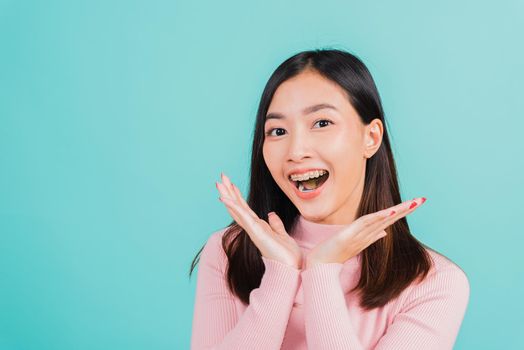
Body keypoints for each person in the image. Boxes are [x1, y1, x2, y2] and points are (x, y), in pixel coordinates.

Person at [189, 49, 470, 350]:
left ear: (371, 138)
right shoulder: (228, 253)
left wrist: (322, 272)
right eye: (278, 130)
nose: (296, 151)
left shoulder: (434, 283)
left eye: (322, 123)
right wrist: (280, 273)